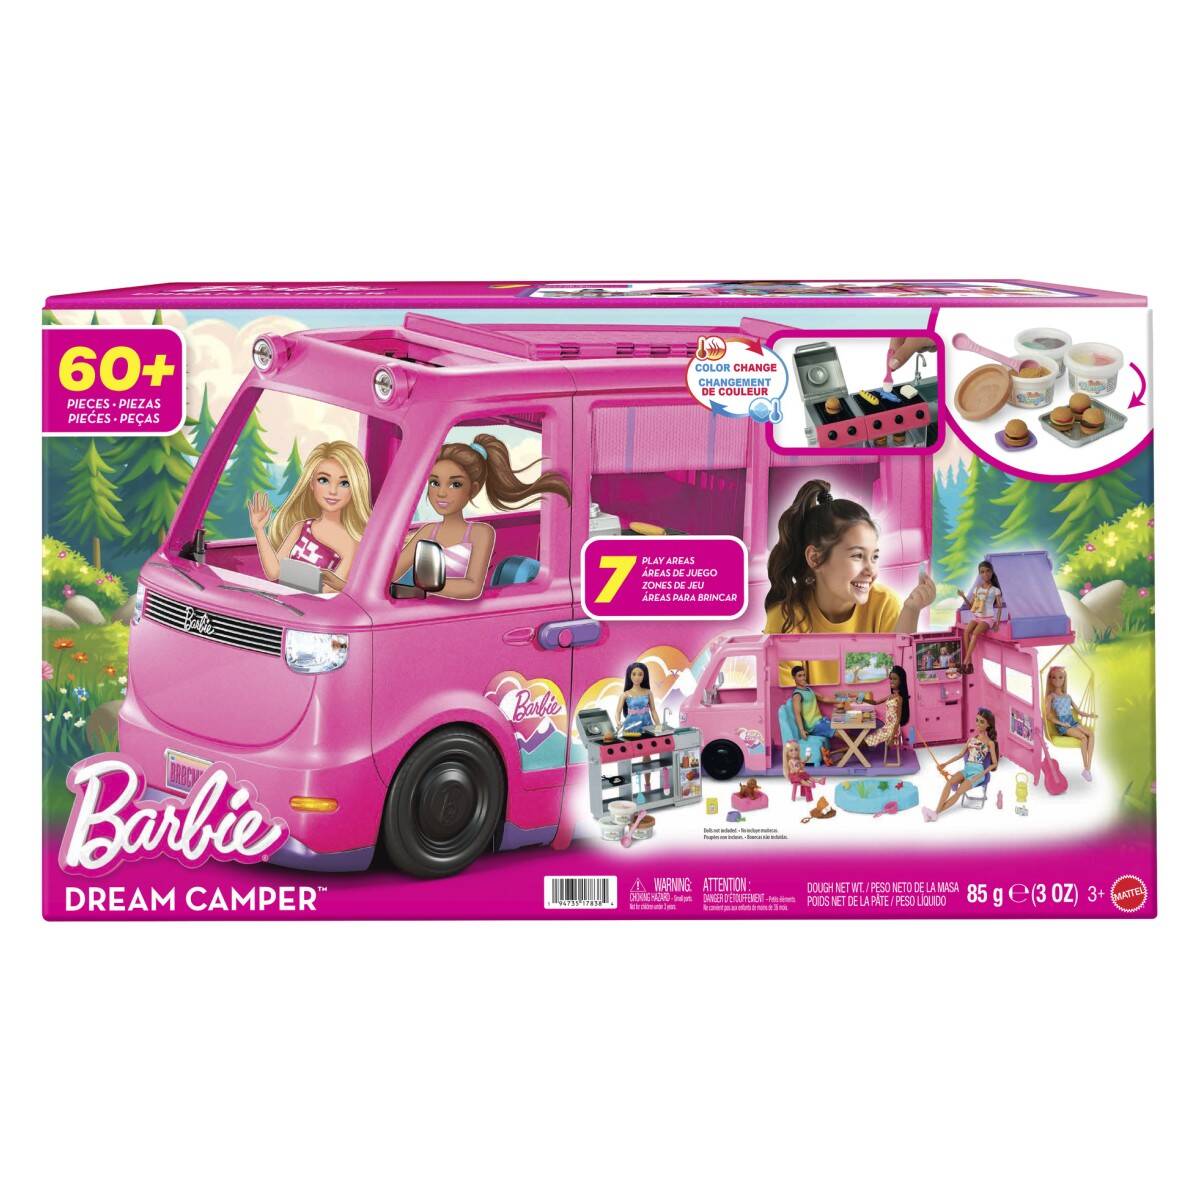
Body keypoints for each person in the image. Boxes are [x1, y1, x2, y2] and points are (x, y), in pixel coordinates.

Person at [764, 481, 936, 680]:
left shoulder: (885, 605)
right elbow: (786, 696)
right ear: (815, 558)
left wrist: (911, 611)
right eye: (857, 556)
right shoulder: (786, 618)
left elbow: (902, 677)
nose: (871, 570)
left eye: (874, 557)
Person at [393, 434, 572, 600]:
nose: (441, 492)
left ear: (474, 488)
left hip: (458, 614)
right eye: (435, 483)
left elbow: (472, 587)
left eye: (455, 484)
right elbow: (391, 574)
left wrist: (428, 587)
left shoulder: (480, 533)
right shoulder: (427, 531)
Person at [248, 440, 372, 593]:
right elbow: (274, 573)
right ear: (312, 484)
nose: (333, 491)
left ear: (356, 488)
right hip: (282, 601)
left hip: (311, 606)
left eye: (344, 483)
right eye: (323, 480)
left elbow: (328, 593)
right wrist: (259, 529)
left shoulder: (351, 544)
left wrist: (290, 574)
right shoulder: (301, 527)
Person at [922, 709, 999, 821]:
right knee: (949, 782)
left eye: (982, 722)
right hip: (967, 770)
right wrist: (945, 764)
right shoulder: (971, 739)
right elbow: (960, 755)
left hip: (978, 773)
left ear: (988, 725)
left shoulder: (990, 743)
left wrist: (982, 773)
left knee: (958, 792)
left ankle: (935, 812)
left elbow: (994, 764)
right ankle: (935, 813)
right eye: (977, 720)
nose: (978, 723)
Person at [1043, 666, 1097, 781]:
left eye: (1060, 677)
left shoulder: (1068, 696)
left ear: (1064, 679)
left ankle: (1088, 768)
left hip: (1072, 721)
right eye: (1054, 677)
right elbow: (1048, 716)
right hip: (1062, 724)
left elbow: (1079, 711)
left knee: (1091, 734)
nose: (1057, 680)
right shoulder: (1051, 697)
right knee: (1083, 737)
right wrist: (1062, 724)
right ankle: (1086, 769)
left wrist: (1089, 715)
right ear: (1050, 679)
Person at [958, 560, 1003, 673]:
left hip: (988, 619)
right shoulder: (977, 589)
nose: (985, 574)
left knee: (974, 634)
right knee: (966, 632)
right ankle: (970, 664)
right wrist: (963, 596)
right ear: (979, 574)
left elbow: (999, 607)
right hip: (977, 617)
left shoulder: (995, 590)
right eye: (982, 572)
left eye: (987, 571)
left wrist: (997, 624)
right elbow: (971, 606)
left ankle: (965, 662)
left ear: (992, 572)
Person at [865, 666, 910, 748]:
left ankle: (848, 750)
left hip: (893, 729)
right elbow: (875, 702)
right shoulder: (890, 696)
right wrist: (863, 699)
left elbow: (898, 719)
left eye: (895, 679)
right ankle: (847, 750)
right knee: (867, 739)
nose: (891, 681)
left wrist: (892, 737)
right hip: (887, 727)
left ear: (901, 681)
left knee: (867, 740)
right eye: (891, 679)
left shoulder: (899, 699)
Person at [617, 662, 660, 734]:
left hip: (647, 723)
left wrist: (658, 725)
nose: (637, 677)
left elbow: (653, 710)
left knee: (648, 739)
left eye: (640, 674)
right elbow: (618, 712)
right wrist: (618, 723)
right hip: (631, 725)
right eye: (634, 674)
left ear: (644, 676)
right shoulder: (625, 694)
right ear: (629, 676)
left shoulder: (648, 692)